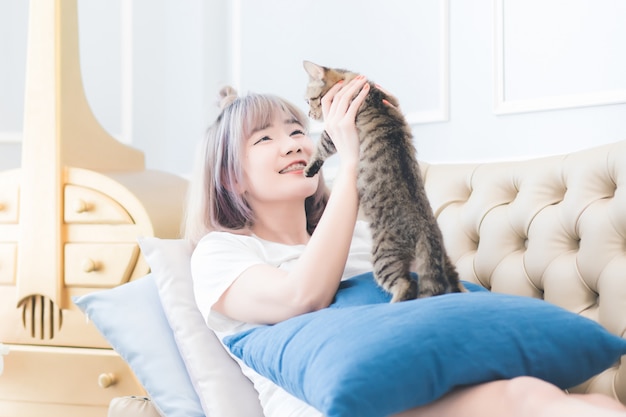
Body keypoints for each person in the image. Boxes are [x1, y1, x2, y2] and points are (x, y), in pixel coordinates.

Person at [185, 77, 626, 417]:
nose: (295, 143)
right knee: (526, 399)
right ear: (230, 178)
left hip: (428, 384)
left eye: (297, 129)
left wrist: (380, 135)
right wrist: (355, 159)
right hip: (339, 407)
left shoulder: (357, 236)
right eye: (265, 139)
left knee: (595, 406)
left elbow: (430, 315)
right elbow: (302, 297)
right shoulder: (221, 253)